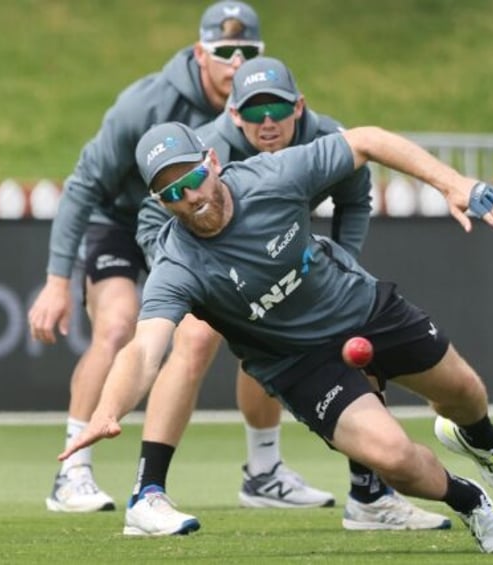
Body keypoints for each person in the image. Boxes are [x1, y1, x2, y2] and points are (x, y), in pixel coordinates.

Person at [59, 121, 493, 554]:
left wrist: (453, 184)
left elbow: (366, 140)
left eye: (191, 178)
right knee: (394, 458)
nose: (189, 196)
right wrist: (108, 409)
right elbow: (145, 349)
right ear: (160, 203)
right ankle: (471, 502)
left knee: (464, 392)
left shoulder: (273, 177)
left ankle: (482, 440)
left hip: (364, 309)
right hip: (299, 366)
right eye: (171, 193)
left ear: (212, 163)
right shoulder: (177, 264)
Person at [28, 0, 330, 514]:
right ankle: (72, 472)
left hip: (201, 228)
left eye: (247, 51)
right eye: (223, 51)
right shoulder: (142, 104)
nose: (235, 62)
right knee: (120, 325)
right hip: (123, 224)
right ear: (200, 52)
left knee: (259, 320)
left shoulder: (255, 109)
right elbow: (82, 186)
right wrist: (58, 281)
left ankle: (263, 473)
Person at [129, 56, 451, 533]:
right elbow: (154, 221)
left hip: (286, 258)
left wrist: (339, 266)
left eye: (276, 110)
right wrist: (193, 278)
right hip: (189, 250)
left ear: (297, 108)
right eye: (253, 112)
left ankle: (366, 494)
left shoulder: (322, 134)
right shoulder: (209, 151)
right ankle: (152, 488)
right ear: (233, 114)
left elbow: (353, 197)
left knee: (345, 323)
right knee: (194, 342)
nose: (267, 122)